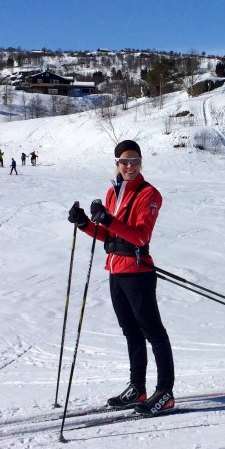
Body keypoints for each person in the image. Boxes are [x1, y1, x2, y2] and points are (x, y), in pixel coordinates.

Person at [67, 140, 175, 415]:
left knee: (153, 332)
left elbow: (139, 236)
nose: (130, 166)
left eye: (135, 161)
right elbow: (111, 237)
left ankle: (165, 392)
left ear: (141, 163)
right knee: (131, 332)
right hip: (116, 270)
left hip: (138, 272)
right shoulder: (114, 192)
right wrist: (85, 224)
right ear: (116, 163)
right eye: (124, 161)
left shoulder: (149, 194)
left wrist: (107, 220)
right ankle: (137, 388)